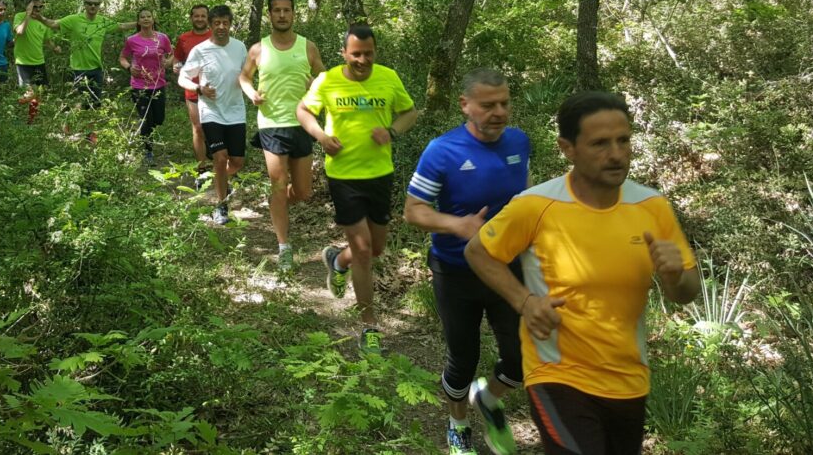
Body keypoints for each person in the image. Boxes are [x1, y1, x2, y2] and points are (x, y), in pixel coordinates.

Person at [465, 91, 700, 455]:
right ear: (567, 148)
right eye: (600, 143)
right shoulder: (538, 205)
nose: (617, 153)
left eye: (623, 140)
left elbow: (686, 292)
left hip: (628, 381)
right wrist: (525, 302)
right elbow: (479, 251)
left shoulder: (651, 207)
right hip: (557, 374)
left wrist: (674, 277)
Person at [404, 69, 530, 455]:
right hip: (455, 270)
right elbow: (413, 211)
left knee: (522, 357)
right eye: (488, 105)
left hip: (508, 267)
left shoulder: (520, 142)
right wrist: (457, 225)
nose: (499, 112)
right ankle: (458, 423)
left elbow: (523, 201)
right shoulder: (442, 150)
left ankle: (488, 399)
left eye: (504, 103)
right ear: (465, 105)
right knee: (464, 356)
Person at [297, 23, 417, 355]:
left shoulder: (389, 78)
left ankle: (337, 260)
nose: (362, 60)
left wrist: (391, 132)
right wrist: (320, 136)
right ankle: (369, 325)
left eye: (368, 53)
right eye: (356, 54)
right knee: (364, 251)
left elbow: (409, 113)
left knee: (375, 249)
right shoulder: (328, 79)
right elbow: (303, 110)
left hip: (380, 173)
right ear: (344, 54)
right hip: (344, 176)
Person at [239, 0, 325, 272]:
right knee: (278, 183)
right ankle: (283, 247)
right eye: (276, 11)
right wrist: (251, 92)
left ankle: (277, 203)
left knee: (302, 192)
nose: (282, 15)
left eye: (286, 10)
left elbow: (324, 78)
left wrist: (316, 84)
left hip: (302, 123)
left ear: (293, 14)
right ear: (270, 15)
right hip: (271, 123)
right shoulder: (258, 49)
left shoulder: (307, 47)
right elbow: (244, 76)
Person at [177, 5, 248, 225]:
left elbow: (248, 74)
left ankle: (220, 179)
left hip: (236, 111)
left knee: (237, 162)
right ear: (210, 25)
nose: (221, 27)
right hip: (211, 111)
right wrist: (199, 89)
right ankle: (221, 205)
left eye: (225, 23)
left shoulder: (240, 47)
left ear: (230, 24)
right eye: (216, 23)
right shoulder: (201, 50)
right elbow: (183, 77)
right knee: (219, 158)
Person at [41, 0, 137, 110]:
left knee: (96, 103)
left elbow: (121, 26)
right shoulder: (74, 19)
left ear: (99, 6)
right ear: (85, 5)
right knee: (82, 102)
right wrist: (39, 17)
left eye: (96, 4)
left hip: (97, 68)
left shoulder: (102, 21)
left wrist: (139, 24)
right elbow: (53, 24)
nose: (93, 6)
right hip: (79, 68)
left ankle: (92, 127)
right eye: (90, 3)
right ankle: (76, 125)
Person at [119, 8, 173, 165]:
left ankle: (148, 135)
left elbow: (173, 54)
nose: (146, 19)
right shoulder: (132, 40)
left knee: (159, 118)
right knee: (145, 119)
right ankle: (147, 150)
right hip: (139, 85)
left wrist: (168, 62)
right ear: (138, 21)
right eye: (142, 17)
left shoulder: (162, 38)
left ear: (153, 19)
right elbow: (122, 57)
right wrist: (129, 68)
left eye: (148, 16)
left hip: (158, 84)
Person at [173, 4, 212, 179]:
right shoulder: (184, 38)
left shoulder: (215, 36)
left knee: (213, 128)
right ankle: (201, 168)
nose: (200, 19)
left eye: (203, 16)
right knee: (197, 128)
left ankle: (215, 156)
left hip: (213, 91)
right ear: (191, 18)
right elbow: (177, 58)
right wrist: (176, 66)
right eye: (196, 16)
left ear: (208, 18)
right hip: (192, 89)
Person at [12, 0, 62, 123]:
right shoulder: (20, 16)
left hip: (39, 61)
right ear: (28, 6)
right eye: (35, 6)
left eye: (41, 6)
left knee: (39, 94)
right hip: (23, 62)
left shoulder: (43, 21)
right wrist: (28, 15)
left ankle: (31, 121)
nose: (38, 9)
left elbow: (47, 40)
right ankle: (11, 110)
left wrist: (55, 48)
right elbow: (20, 31)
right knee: (29, 94)